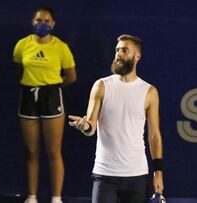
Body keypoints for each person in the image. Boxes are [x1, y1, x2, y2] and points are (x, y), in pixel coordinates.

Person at [68, 34, 164, 203]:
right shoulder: (101, 86)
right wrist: (84, 127)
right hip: (105, 174)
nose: (118, 54)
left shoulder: (149, 92)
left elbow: (154, 135)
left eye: (124, 50)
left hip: (137, 175)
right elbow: (90, 126)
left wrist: (158, 172)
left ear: (137, 56)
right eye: (117, 50)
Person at [13, 6, 77, 203]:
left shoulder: (61, 47)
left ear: (53, 24)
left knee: (53, 151)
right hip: (28, 97)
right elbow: (18, 69)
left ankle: (56, 198)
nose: (43, 24)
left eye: (47, 21)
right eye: (39, 20)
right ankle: (32, 196)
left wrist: (52, 86)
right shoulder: (22, 45)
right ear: (33, 21)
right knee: (31, 151)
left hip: (51, 97)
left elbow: (71, 77)